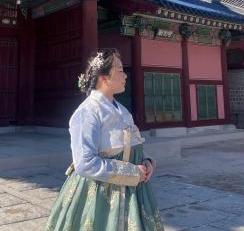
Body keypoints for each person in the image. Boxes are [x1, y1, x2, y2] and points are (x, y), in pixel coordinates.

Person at [45, 48, 164, 231]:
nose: (125, 76)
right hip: (101, 196)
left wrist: (146, 161)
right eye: (120, 70)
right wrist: (132, 173)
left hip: (133, 191)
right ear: (104, 77)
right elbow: (85, 163)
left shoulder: (122, 110)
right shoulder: (87, 113)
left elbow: (130, 144)